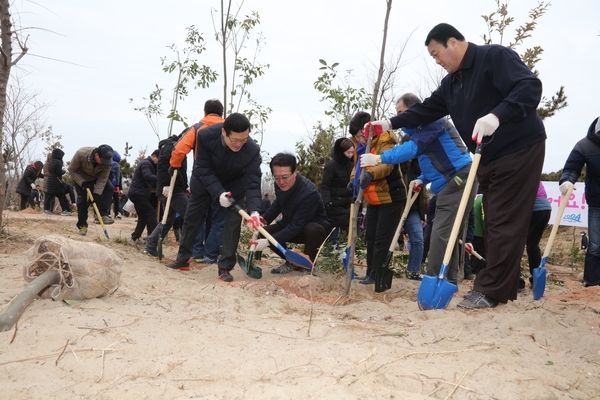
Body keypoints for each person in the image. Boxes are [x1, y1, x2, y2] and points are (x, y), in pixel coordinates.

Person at [366, 23, 546, 308]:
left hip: (519, 148)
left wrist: (497, 115)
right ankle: (504, 286)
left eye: (437, 54)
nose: (436, 61)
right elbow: (425, 110)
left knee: (502, 220)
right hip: (487, 157)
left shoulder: (493, 57)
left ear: (452, 42)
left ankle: (489, 290)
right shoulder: (451, 84)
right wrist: (389, 123)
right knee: (496, 220)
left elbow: (529, 86)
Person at [361, 93, 473, 284]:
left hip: (459, 178)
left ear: (415, 110)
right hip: (449, 179)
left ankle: (433, 280)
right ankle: (448, 280)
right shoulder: (420, 131)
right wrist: (422, 178)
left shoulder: (433, 123)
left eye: (401, 112)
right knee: (448, 232)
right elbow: (434, 161)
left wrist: (380, 158)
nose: (399, 117)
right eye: (397, 113)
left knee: (439, 232)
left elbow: (411, 150)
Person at [166, 112, 262, 284]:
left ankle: (225, 267)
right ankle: (183, 259)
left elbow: (253, 181)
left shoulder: (252, 150)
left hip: (234, 186)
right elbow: (203, 167)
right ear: (224, 132)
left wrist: (255, 210)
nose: (239, 144)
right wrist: (218, 193)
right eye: (235, 140)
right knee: (191, 218)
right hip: (205, 181)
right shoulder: (206, 135)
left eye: (244, 139)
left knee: (232, 226)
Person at [147, 99, 225, 262]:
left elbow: (179, 150)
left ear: (204, 112)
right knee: (217, 218)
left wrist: (174, 166)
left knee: (196, 216)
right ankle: (211, 255)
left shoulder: (196, 129)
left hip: (201, 178)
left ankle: (197, 252)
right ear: (222, 113)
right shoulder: (228, 128)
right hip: (221, 179)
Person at [252, 153, 333, 274]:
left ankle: (308, 266)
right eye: (277, 177)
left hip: (313, 228)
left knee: (312, 229)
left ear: (295, 172)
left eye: (285, 177)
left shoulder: (308, 193)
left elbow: (297, 225)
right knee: (265, 233)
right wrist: (264, 219)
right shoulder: (279, 184)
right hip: (291, 224)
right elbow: (279, 203)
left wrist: (269, 241)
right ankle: (292, 262)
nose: (281, 182)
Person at [353, 113, 406, 287]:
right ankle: (370, 272)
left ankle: (377, 275)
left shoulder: (385, 140)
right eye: (357, 137)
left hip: (390, 196)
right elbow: (358, 168)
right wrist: (351, 181)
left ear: (367, 129)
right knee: (370, 236)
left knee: (382, 238)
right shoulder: (364, 147)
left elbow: (386, 165)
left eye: (361, 135)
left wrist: (370, 173)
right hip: (374, 198)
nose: (360, 140)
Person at [559, 116, 600, 287]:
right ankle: (591, 284)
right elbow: (571, 168)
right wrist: (567, 181)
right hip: (597, 202)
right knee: (596, 245)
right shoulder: (584, 145)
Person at [68, 144, 116, 236]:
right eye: (102, 160)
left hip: (95, 178)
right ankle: (82, 226)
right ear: (97, 155)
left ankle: (102, 214)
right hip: (81, 178)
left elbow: (103, 179)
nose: (104, 163)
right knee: (82, 201)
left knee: (109, 188)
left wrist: (97, 194)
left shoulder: (107, 162)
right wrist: (83, 183)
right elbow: (72, 170)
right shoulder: (81, 154)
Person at [320, 137, 354, 245]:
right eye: (348, 152)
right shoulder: (331, 166)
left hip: (348, 205)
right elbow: (325, 185)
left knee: (345, 237)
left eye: (352, 152)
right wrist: (327, 202)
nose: (350, 155)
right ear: (341, 151)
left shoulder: (352, 166)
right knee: (333, 237)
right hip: (334, 206)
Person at [521, 182, 551, 289]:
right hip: (545, 209)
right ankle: (537, 281)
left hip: (533, 209)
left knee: (517, 245)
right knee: (533, 246)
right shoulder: (534, 171)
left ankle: (517, 282)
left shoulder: (521, 172)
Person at [129, 150, 159, 243]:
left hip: (139, 194)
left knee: (143, 217)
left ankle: (135, 238)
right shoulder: (146, 163)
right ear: (154, 156)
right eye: (159, 159)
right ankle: (154, 238)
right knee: (151, 212)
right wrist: (161, 179)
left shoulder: (150, 164)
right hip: (138, 194)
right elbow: (147, 176)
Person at [43, 148, 71, 216]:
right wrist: (64, 171)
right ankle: (64, 210)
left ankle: (46, 210)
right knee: (61, 196)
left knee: (49, 196)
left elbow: (50, 170)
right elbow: (59, 172)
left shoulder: (50, 162)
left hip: (50, 180)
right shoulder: (58, 162)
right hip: (56, 181)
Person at [110, 151, 123, 219]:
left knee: (108, 199)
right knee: (116, 200)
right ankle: (116, 213)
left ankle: (107, 213)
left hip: (109, 184)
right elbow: (119, 176)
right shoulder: (117, 165)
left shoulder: (108, 164)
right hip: (115, 185)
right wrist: (119, 187)